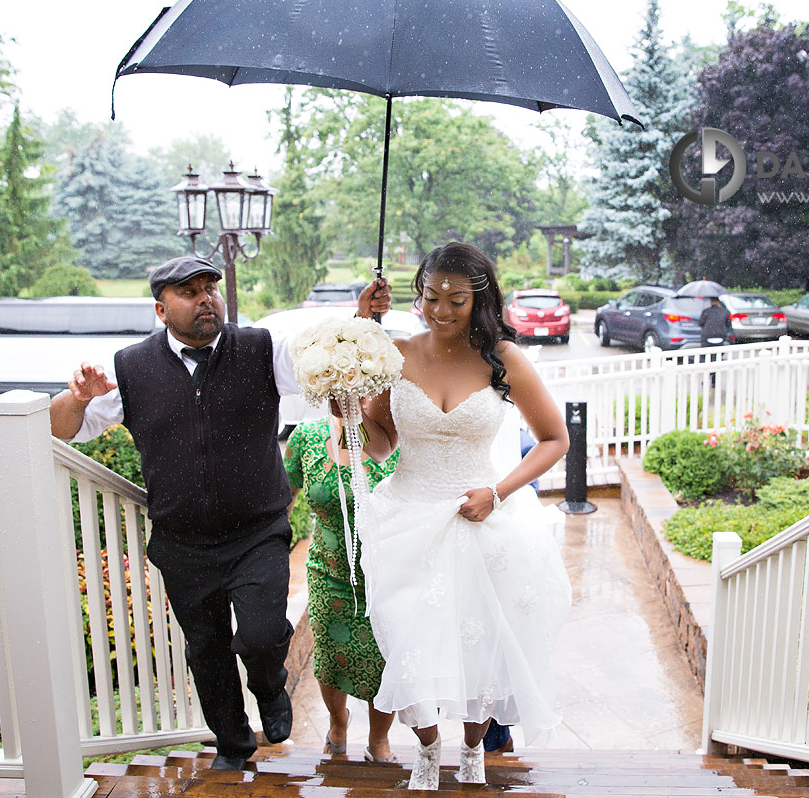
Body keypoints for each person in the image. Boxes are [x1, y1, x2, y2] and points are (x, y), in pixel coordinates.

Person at [48, 255, 390, 771]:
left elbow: (330, 368)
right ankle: (232, 745)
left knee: (259, 634)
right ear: (161, 309)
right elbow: (63, 429)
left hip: (257, 531)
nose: (207, 297)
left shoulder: (260, 350)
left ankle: (271, 691)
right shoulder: (131, 367)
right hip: (181, 541)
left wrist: (363, 323)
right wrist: (78, 397)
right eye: (190, 291)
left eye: (211, 287)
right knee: (205, 651)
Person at [356, 242, 572, 790]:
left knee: (482, 645)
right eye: (431, 297)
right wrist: (349, 407)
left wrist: (497, 492)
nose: (442, 310)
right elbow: (380, 442)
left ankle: (474, 750)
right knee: (408, 640)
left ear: (480, 298)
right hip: (408, 519)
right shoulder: (396, 353)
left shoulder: (503, 358)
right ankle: (427, 750)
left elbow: (554, 440)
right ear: (418, 295)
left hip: (484, 520)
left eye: (457, 299)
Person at [283, 415, 399, 763]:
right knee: (331, 658)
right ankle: (338, 723)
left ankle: (379, 740)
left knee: (383, 659)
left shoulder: (400, 431)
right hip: (328, 571)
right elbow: (283, 497)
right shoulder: (307, 435)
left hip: (388, 573)